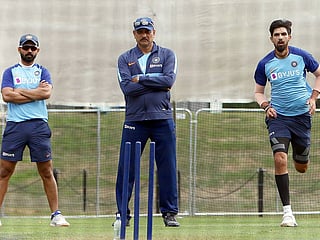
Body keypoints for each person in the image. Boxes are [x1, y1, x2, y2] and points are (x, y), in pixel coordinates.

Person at [254, 19, 320, 227]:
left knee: (301, 167)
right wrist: (266, 106)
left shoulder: (302, 56)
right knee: (280, 158)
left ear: (289, 37)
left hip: (301, 117)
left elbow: (319, 75)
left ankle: (301, 155)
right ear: (271, 38)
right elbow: (258, 92)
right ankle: (288, 214)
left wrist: (313, 97)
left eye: (283, 34)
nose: (280, 37)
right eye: (276, 34)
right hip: (278, 118)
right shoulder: (264, 63)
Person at [115, 17, 179, 227]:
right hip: (135, 120)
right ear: (134, 34)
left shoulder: (167, 54)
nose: (144, 35)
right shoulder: (125, 59)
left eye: (147, 31)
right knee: (127, 168)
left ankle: (169, 213)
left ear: (154, 32)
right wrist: (156, 82)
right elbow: (127, 88)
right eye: (140, 32)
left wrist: (141, 79)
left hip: (162, 118)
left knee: (167, 166)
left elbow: (168, 81)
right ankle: (122, 214)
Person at [0, 34, 70, 227]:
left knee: (46, 170)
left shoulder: (43, 72)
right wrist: (34, 93)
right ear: (19, 49)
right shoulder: (10, 72)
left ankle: (56, 215)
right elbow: (7, 95)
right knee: (4, 170)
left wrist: (20, 91)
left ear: (37, 50)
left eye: (32, 48)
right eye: (26, 47)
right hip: (15, 125)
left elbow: (46, 93)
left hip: (38, 125)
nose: (29, 51)